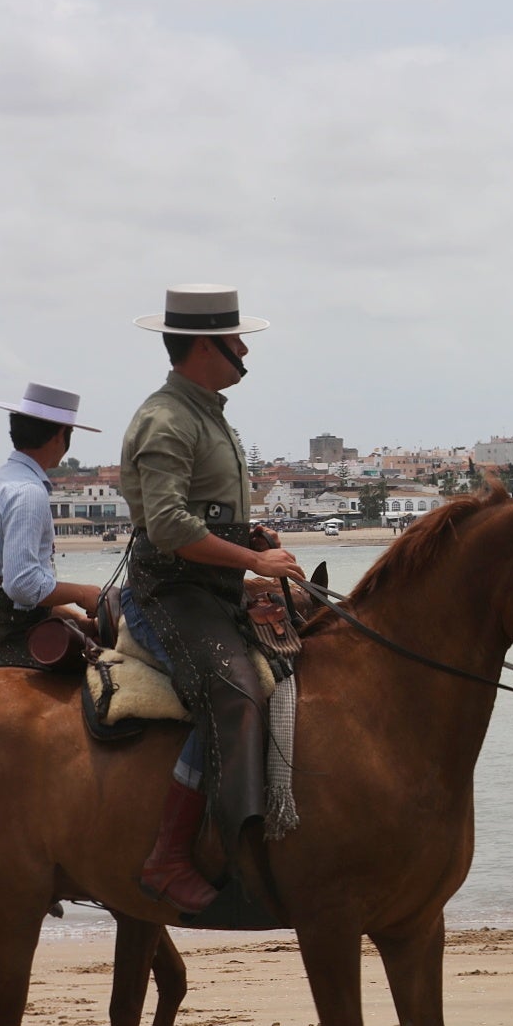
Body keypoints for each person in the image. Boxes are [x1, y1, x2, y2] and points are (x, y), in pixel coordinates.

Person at [120, 284, 305, 913]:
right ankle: (170, 856)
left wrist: (247, 537)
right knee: (235, 694)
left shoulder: (205, 412)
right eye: (236, 340)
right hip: (169, 591)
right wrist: (255, 561)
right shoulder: (167, 419)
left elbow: (204, 514)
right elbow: (169, 527)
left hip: (211, 587)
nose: (244, 350)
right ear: (206, 346)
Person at [0, 384, 105, 666]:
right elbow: (22, 585)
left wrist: (72, 618)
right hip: (8, 634)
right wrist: (83, 593)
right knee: (103, 680)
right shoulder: (29, 491)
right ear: (61, 435)